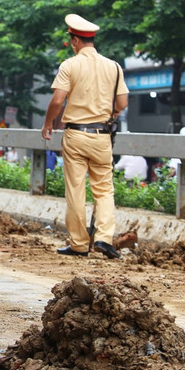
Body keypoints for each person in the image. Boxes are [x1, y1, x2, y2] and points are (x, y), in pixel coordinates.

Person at [41, 14, 128, 259]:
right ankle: (103, 239)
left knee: (76, 189)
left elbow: (58, 99)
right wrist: (110, 113)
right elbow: (122, 102)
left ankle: (79, 244)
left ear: (75, 40)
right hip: (102, 136)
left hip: (76, 135)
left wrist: (49, 123)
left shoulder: (70, 65)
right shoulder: (114, 67)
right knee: (104, 190)